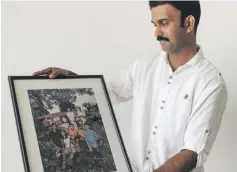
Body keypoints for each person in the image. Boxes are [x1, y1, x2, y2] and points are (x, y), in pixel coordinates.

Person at [33, 1, 228, 172]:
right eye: (154, 24)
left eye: (164, 23)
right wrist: (73, 82)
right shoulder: (143, 66)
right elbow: (106, 94)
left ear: (189, 23)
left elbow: (191, 153)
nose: (157, 33)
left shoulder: (210, 83)